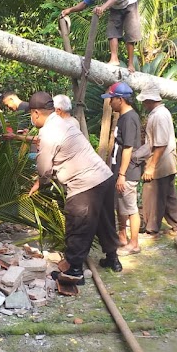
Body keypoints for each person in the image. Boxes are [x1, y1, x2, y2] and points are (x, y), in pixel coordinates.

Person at [27, 91, 122, 284]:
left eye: (30, 115)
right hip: (104, 177)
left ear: (36, 113)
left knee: (78, 224)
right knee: (105, 221)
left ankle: (75, 271)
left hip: (84, 184)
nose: (31, 118)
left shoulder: (47, 132)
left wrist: (42, 183)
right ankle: (113, 259)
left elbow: (44, 169)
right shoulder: (65, 123)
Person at [61, 0, 141, 73]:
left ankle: (130, 65)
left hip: (130, 3)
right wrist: (70, 10)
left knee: (130, 34)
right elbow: (85, 3)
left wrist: (103, 7)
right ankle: (114, 59)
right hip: (115, 7)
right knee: (112, 31)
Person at [137, 82, 177, 238]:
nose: (143, 103)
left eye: (144, 100)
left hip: (161, 161)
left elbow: (161, 144)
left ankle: (152, 229)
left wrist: (151, 166)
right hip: (166, 161)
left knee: (152, 195)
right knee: (169, 194)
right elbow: (152, 143)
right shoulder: (160, 113)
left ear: (149, 100)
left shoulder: (159, 116)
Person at [101, 82, 143, 255]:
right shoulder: (123, 117)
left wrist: (122, 174)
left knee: (130, 208)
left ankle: (134, 244)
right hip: (119, 170)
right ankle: (122, 237)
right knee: (121, 206)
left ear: (120, 99)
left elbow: (128, 148)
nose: (110, 103)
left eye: (112, 99)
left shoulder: (130, 119)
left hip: (128, 172)